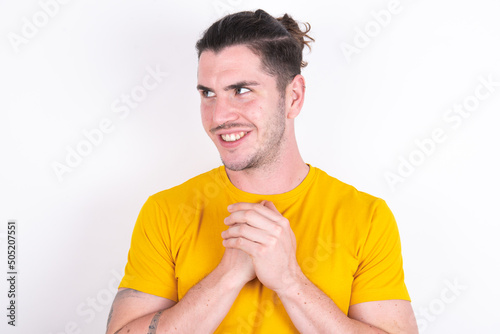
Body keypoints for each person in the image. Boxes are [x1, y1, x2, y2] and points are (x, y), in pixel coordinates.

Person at [106, 9, 418, 334]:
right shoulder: (165, 212)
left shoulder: (366, 217)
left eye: (241, 90)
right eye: (208, 94)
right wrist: (227, 277)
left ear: (293, 97)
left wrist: (290, 282)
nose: (219, 116)